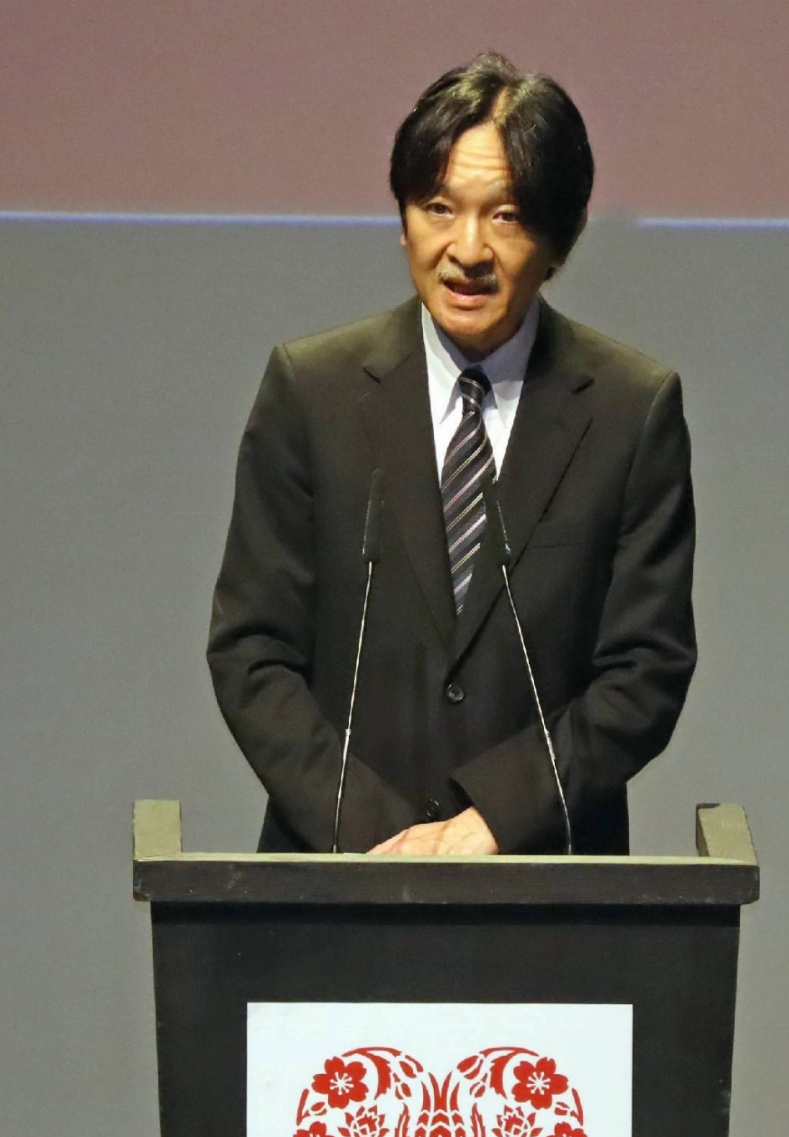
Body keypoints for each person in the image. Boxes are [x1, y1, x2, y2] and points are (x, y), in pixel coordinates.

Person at [207, 53, 696, 857]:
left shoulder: (628, 410)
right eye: (438, 208)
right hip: (336, 885)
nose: (466, 249)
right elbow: (251, 650)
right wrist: (380, 835)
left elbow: (647, 670)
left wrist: (501, 818)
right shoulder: (313, 390)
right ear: (402, 219)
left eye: (504, 216)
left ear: (560, 237)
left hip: (546, 890)